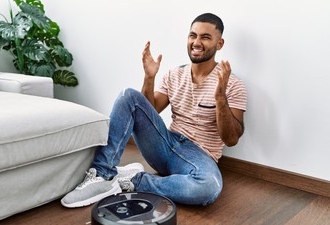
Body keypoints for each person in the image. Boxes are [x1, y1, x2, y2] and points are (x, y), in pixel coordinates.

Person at [61, 13, 247, 208]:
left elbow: (231, 139)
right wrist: (149, 78)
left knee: (208, 187)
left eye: (205, 37)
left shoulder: (233, 85)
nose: (197, 42)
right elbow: (148, 111)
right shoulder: (174, 75)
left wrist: (220, 98)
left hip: (198, 156)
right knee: (129, 96)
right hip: (165, 144)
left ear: (220, 43)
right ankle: (103, 174)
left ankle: (133, 181)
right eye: (193, 35)